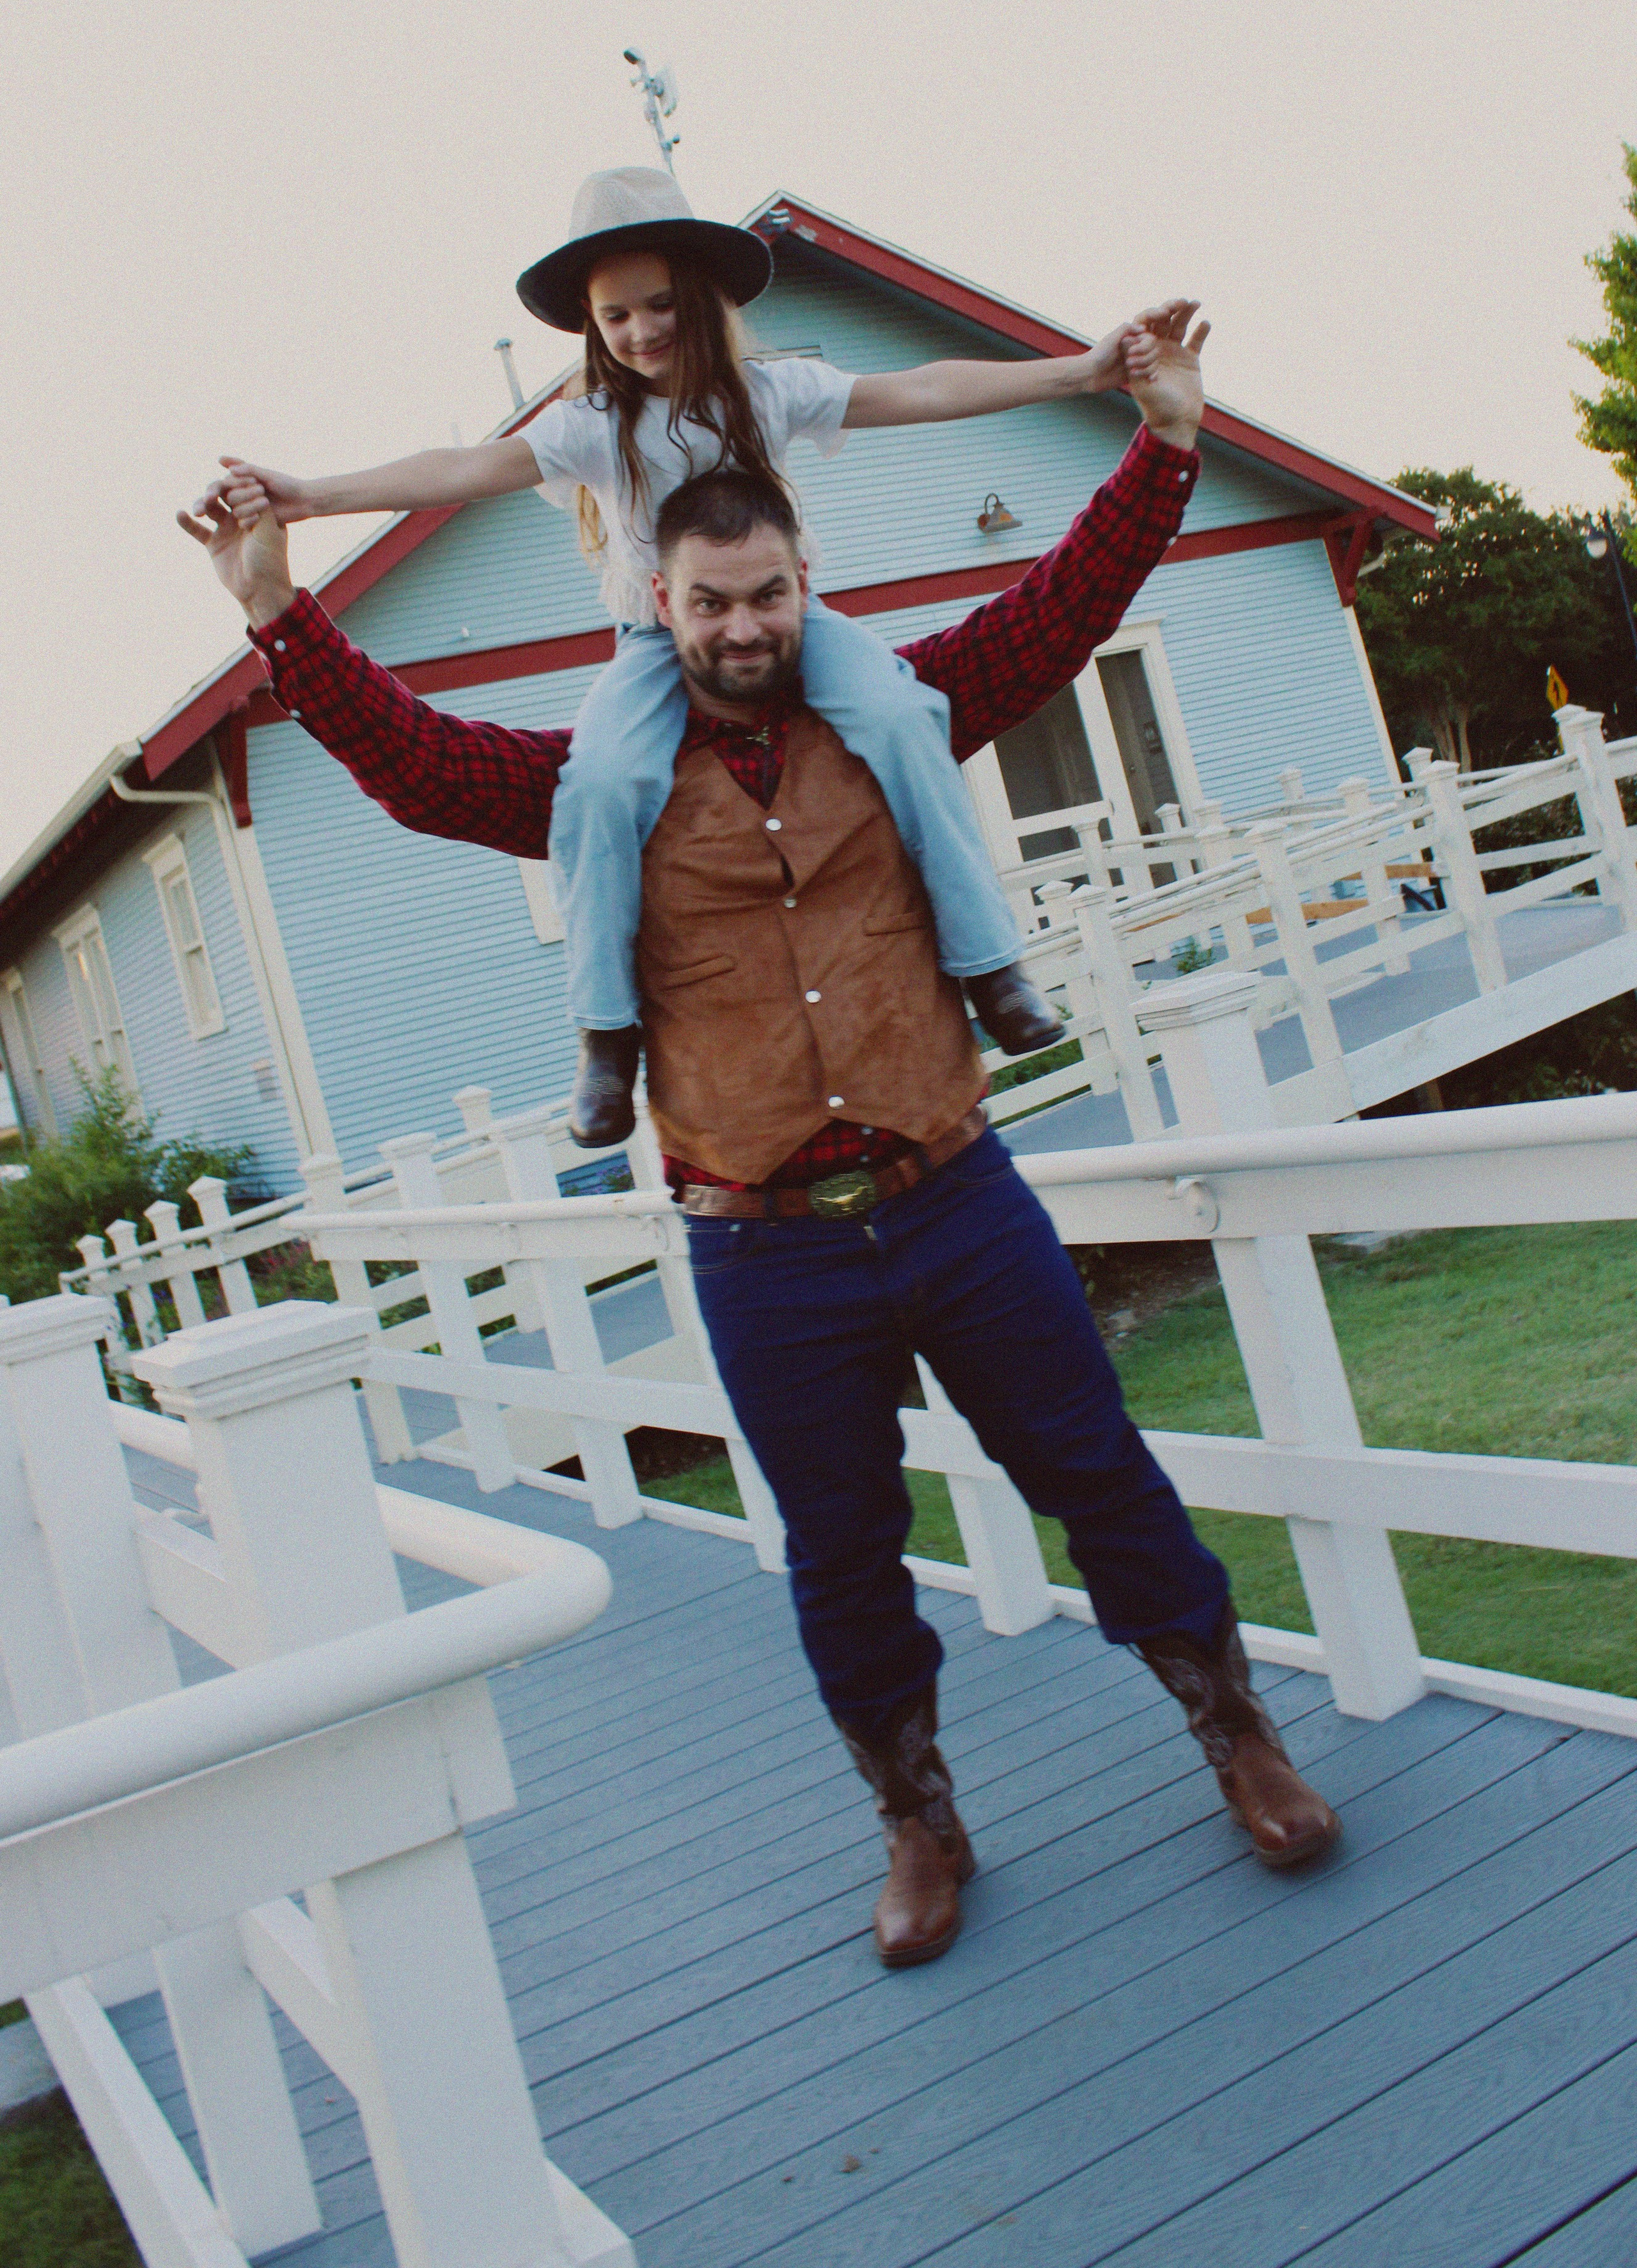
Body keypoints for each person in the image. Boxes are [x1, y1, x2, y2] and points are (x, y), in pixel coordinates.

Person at [180, 306, 1342, 1973]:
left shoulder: (906, 711)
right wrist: (281, 614)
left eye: (770, 595)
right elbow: (419, 767)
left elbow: (1064, 605)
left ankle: (1237, 1733)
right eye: (711, 602)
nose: (743, 626)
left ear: (808, 589)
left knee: (1103, 1477)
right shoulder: (603, 778)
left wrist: (1163, 439)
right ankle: (917, 1819)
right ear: (661, 604)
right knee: (845, 1556)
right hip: (761, 1240)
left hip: (957, 1197)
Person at [205, 166, 1189, 1147]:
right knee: (594, 785)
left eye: (661, 305)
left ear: (704, 300)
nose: (641, 333)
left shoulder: (773, 393)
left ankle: (989, 967)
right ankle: (604, 1033)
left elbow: (923, 387)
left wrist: (1084, 372)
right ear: (593, 328)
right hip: (648, 647)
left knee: (903, 717)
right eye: (616, 316)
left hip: (809, 631)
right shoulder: (594, 427)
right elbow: (461, 468)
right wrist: (309, 496)